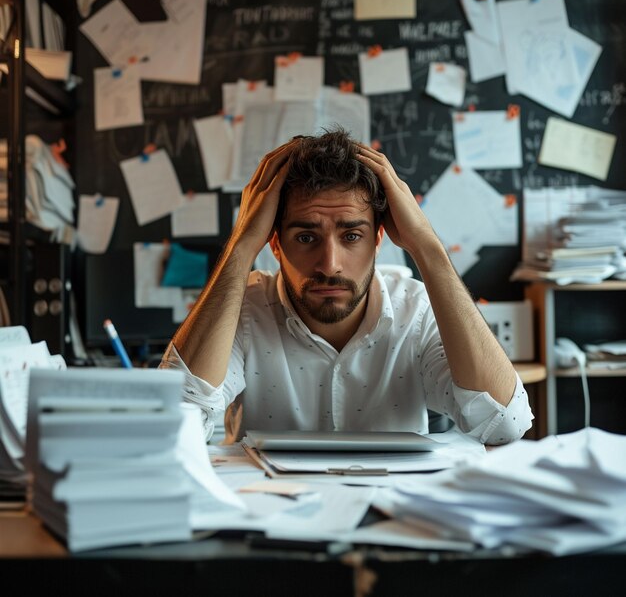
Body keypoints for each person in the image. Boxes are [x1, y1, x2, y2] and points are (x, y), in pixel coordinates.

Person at [160, 129, 533, 444]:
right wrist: (240, 247)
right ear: (273, 243)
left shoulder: (417, 312)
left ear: (378, 239)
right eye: (306, 237)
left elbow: (505, 425)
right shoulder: (241, 314)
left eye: (352, 235)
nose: (330, 264)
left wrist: (428, 249)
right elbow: (171, 426)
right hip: (268, 519)